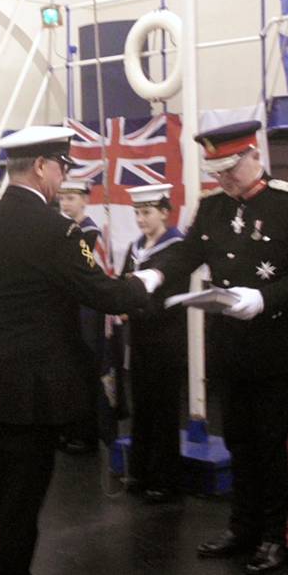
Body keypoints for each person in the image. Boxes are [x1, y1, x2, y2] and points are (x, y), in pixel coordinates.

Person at [0, 125, 154, 575]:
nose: (63, 177)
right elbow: (101, 292)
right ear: (41, 166)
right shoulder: (56, 229)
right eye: (61, 166)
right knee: (22, 500)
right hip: (34, 391)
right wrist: (148, 278)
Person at [151, 121, 288, 574]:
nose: (223, 180)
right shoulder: (212, 208)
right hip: (228, 346)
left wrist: (265, 297)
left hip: (272, 342)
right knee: (239, 440)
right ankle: (244, 526)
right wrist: (152, 274)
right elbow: (186, 254)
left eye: (230, 169)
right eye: (216, 171)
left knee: (272, 444)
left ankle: (277, 537)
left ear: (254, 155)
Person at [121, 184, 188, 503]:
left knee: (163, 409)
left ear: (164, 212)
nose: (140, 219)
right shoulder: (136, 248)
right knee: (143, 407)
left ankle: (165, 478)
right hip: (141, 337)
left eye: (146, 212)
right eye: (137, 212)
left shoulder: (176, 249)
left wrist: (131, 307)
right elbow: (125, 283)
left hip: (166, 337)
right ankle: (140, 471)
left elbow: (168, 296)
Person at [57, 179, 102, 454]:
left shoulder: (89, 232)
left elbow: (84, 265)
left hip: (85, 306)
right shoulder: (67, 229)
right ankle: (69, 428)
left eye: (72, 198)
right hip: (69, 303)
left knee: (85, 370)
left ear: (85, 200)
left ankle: (86, 433)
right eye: (63, 198)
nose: (66, 203)